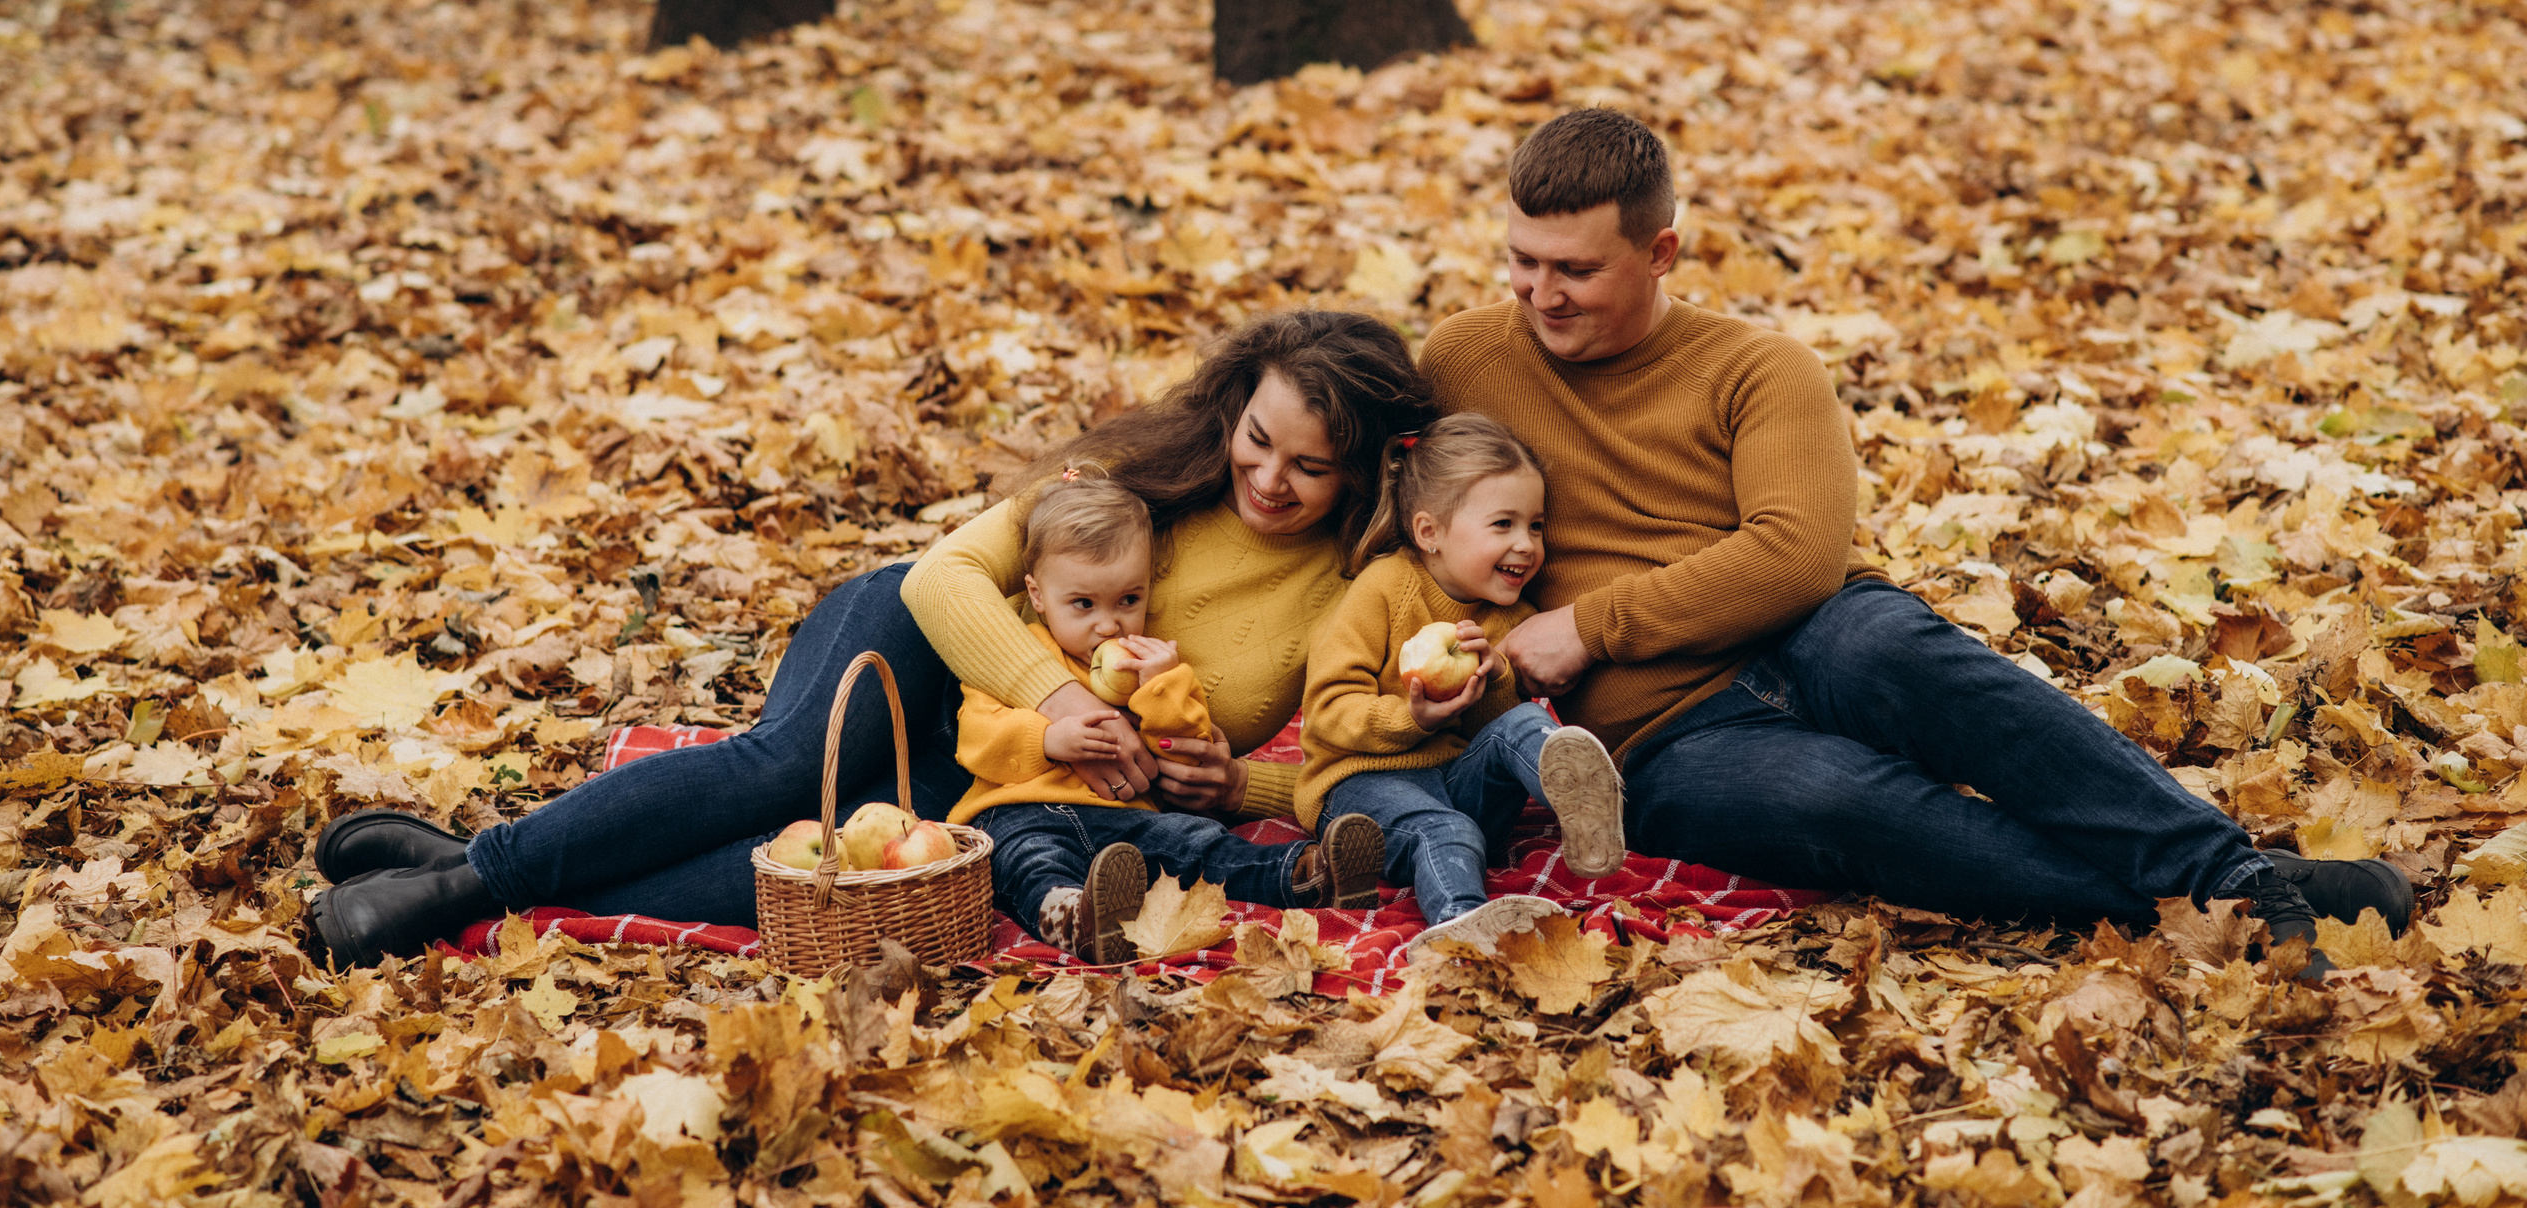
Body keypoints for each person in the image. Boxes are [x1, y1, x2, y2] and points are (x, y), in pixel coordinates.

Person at [1426, 108, 2412, 980]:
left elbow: (1794, 556)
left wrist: (1590, 626)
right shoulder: (1465, 361)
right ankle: (2241, 899)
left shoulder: (1759, 369)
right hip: (1667, 738)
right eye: (1522, 261)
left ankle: (2228, 876)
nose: (1540, 294)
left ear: (1661, 252)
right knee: (1838, 804)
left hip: (1815, 637)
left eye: (1575, 270)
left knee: (1894, 648)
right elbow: (1387, 516)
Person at [304, 309, 1434, 965]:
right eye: (1256, 439)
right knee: (786, 768)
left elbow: (1360, 759)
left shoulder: (1359, 588)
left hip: (1005, 779)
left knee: (842, 870)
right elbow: (948, 576)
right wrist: (1058, 698)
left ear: (1366, 468)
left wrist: (1234, 784)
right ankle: (469, 887)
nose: (1267, 478)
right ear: (1234, 409)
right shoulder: (1149, 472)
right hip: (922, 645)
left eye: (1309, 465)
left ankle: (459, 861)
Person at [956, 465, 1383, 963]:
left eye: (1128, 600)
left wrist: (1162, 686)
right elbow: (976, 736)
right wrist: (1049, 740)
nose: (1108, 625)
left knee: (1193, 844)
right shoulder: (1018, 653)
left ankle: (1306, 875)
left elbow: (1185, 750)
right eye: (1083, 604)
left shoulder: (1150, 666)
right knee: (1027, 863)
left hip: (1130, 818)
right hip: (1022, 812)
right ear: (1037, 595)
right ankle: (1076, 918)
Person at [1296, 413, 1626, 954]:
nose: (1526, 544)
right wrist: (1411, 717)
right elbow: (1327, 710)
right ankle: (1461, 934)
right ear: (1430, 533)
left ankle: (1586, 808)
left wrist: (1496, 677)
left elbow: (1491, 728)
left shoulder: (1511, 618)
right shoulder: (1384, 588)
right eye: (1504, 524)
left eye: (1536, 526)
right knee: (1447, 830)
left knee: (1524, 721)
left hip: (1457, 782)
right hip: (1362, 784)